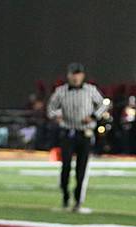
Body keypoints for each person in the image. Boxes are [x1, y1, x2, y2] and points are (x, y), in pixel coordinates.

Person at [46, 62, 107, 212]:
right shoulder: (61, 91)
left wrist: (93, 116)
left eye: (78, 74)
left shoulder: (90, 90)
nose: (75, 77)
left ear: (82, 76)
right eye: (73, 74)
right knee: (65, 165)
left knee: (82, 168)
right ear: (69, 75)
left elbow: (103, 104)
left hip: (84, 132)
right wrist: (57, 116)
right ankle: (65, 195)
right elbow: (51, 109)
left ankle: (78, 199)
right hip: (68, 131)